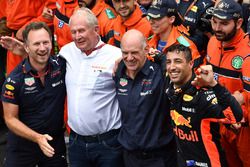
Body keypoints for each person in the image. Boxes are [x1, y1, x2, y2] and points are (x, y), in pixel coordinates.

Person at [59, 8, 123, 167]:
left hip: (108, 144)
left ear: (96, 30)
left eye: (81, 30)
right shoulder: (66, 52)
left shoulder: (116, 55)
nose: (77, 36)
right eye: (73, 32)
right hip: (76, 143)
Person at [1, 22, 67, 166]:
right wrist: (37, 137)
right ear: (26, 47)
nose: (42, 48)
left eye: (45, 42)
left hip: (53, 143)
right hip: (22, 146)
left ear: (52, 42)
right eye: (36, 44)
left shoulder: (61, 66)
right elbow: (10, 119)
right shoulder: (14, 80)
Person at [165, 44, 243, 167]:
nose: (172, 67)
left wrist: (214, 84)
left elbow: (236, 116)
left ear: (191, 64)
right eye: (168, 62)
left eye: (178, 61)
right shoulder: (169, 87)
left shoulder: (202, 94)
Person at [113, 29, 176, 167]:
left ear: (146, 49)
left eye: (134, 52)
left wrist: (161, 57)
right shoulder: (118, 72)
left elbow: (179, 72)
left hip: (159, 158)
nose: (129, 58)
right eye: (125, 52)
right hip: (129, 157)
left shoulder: (159, 73)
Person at [206, 0, 250, 166]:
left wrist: (239, 114)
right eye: (214, 21)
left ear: (239, 23)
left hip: (243, 128)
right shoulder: (212, 43)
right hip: (220, 123)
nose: (217, 28)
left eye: (224, 23)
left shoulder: (247, 50)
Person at [147, 0, 203, 68]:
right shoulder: (148, 41)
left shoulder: (186, 45)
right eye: (150, 17)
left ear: (171, 19)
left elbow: (193, 75)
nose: (151, 21)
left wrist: (165, 60)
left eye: (157, 17)